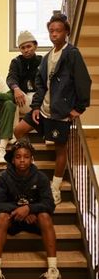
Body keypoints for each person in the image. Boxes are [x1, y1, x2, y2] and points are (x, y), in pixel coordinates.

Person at [14, 13, 91, 204]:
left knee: (60, 149)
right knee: (18, 130)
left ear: (66, 32)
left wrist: (79, 108)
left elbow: (83, 81)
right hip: (44, 109)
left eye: (58, 30)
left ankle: (55, 188)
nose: (54, 34)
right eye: (51, 31)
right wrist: (35, 107)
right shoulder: (48, 56)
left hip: (61, 112)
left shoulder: (72, 53)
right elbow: (41, 84)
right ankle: (31, 166)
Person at [0, 140, 60, 279]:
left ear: (32, 159)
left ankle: (53, 270)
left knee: (45, 216)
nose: (22, 160)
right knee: (1, 217)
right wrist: (20, 211)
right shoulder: (4, 177)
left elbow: (49, 204)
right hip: (13, 219)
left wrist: (30, 209)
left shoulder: (41, 177)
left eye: (26, 156)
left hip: (34, 220)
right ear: (13, 159)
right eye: (18, 157)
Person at [7, 31, 42, 130]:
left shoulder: (42, 61)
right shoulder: (16, 62)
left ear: (35, 46)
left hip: (39, 99)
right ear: (20, 50)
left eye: (29, 46)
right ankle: (13, 134)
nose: (26, 50)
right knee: (10, 96)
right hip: (23, 98)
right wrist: (16, 89)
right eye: (23, 48)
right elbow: (11, 77)